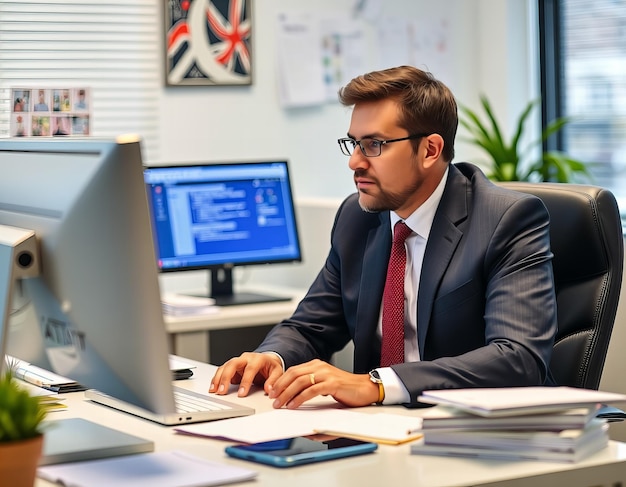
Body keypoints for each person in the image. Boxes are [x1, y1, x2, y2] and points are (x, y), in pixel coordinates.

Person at [210, 65, 558, 409]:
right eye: (354, 143)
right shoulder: (357, 218)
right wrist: (273, 356)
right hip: (374, 432)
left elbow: (518, 357)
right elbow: (310, 326)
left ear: (430, 150)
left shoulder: (505, 220)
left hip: (468, 432)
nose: (355, 162)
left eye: (374, 144)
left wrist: (379, 384)